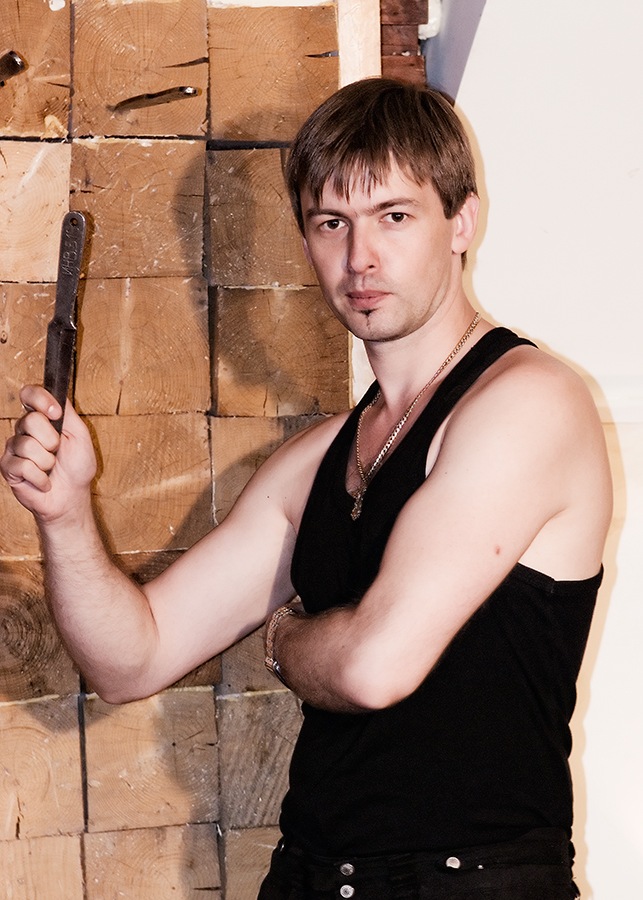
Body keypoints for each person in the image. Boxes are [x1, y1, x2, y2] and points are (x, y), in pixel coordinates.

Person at [1, 78, 612, 898]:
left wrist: (282, 640)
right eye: (331, 223)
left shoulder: (528, 401)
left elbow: (372, 669)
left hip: (473, 881)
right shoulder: (316, 458)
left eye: (394, 216)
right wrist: (66, 513)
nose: (360, 257)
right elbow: (131, 658)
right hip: (311, 877)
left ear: (461, 222)